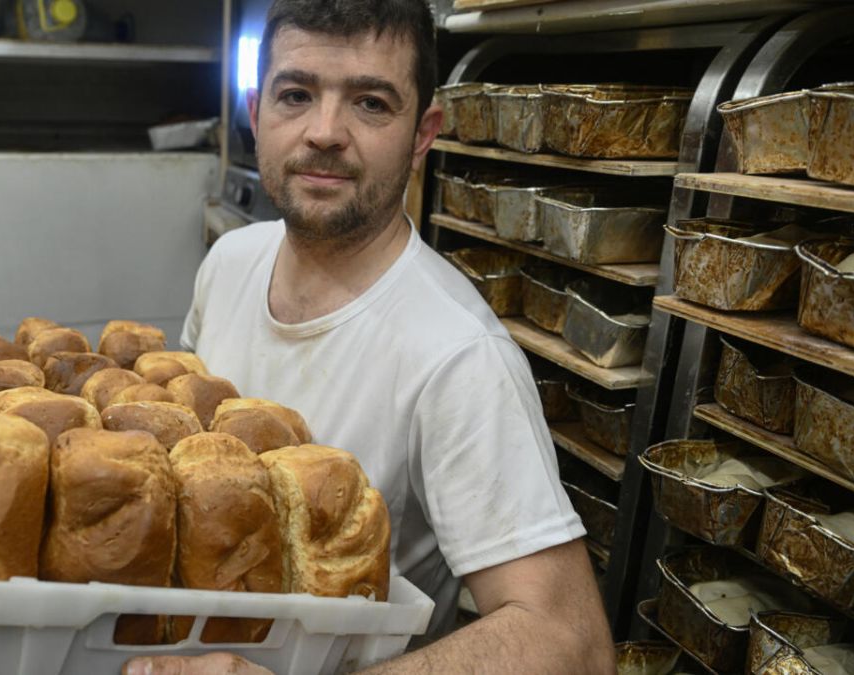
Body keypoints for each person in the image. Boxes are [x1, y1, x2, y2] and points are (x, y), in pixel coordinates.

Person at [124, 1, 615, 672]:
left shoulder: (458, 356)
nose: (324, 131)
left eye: (372, 104)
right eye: (296, 94)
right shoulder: (230, 264)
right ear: (255, 109)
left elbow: (570, 641)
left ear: (422, 135)